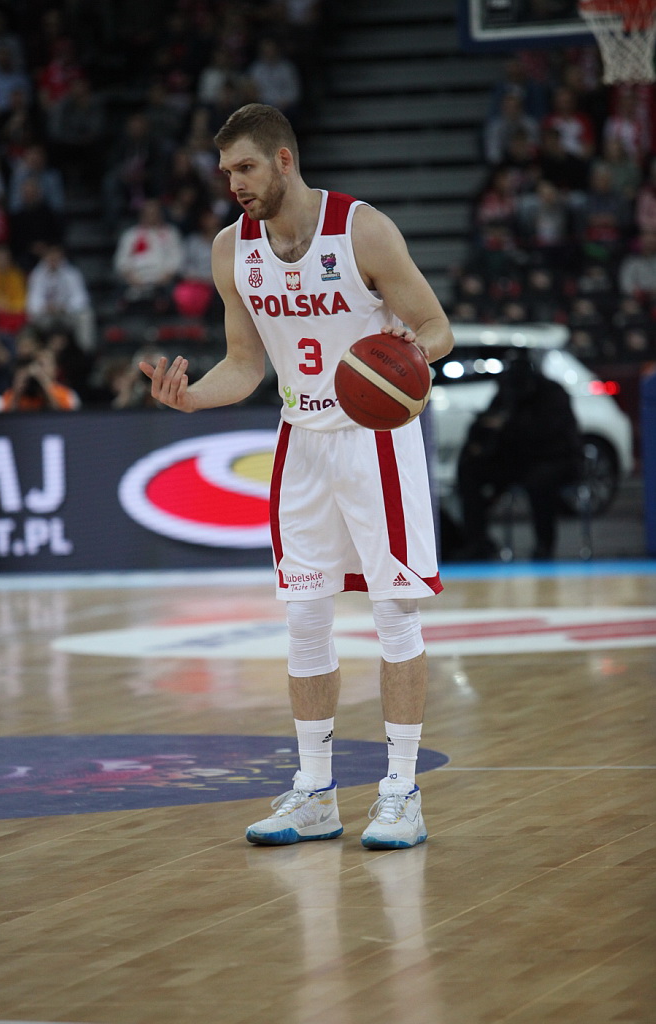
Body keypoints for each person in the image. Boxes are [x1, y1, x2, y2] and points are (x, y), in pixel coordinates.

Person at [139, 103, 454, 849]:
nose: (234, 184)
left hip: (376, 439)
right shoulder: (231, 250)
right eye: (226, 173)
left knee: (394, 614)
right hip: (300, 442)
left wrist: (409, 353)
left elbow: (437, 327)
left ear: (284, 160)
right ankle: (315, 793)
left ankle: (401, 793)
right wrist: (191, 397)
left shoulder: (362, 230)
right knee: (304, 618)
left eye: (246, 168)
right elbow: (244, 363)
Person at [455, 353, 583, 562]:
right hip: (517, 460)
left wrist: (506, 425)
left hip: (554, 459)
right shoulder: (508, 389)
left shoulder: (552, 393)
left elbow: (548, 432)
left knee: (540, 481)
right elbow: (486, 420)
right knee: (470, 469)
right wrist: (478, 441)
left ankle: (544, 545)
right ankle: (477, 541)